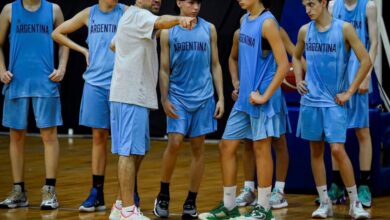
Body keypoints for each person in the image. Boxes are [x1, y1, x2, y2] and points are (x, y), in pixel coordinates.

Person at [199, 0, 289, 218]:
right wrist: (237, 82)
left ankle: (263, 208)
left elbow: (284, 64)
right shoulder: (244, 20)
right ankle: (229, 207)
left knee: (262, 149)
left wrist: (264, 96)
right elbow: (235, 58)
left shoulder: (268, 23)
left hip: (261, 100)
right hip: (244, 101)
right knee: (225, 147)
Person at [106, 0, 196, 219]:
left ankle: (120, 206)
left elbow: (113, 44)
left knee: (137, 152)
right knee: (128, 153)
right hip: (130, 96)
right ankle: (128, 210)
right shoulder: (139, 15)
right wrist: (178, 19)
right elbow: (162, 21)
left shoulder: (132, 18)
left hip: (134, 96)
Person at [293, 0, 372, 218]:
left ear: (323, 3)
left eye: (311, 4)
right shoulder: (303, 31)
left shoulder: (344, 28)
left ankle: (355, 202)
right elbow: (295, 55)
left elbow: (365, 60)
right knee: (316, 152)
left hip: (334, 102)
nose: (307, 10)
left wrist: (350, 91)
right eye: (304, 6)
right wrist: (299, 78)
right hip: (310, 102)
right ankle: (325, 202)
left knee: (337, 150)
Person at [51, 0, 130, 212]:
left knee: (124, 141)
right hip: (94, 83)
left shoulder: (126, 12)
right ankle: (97, 192)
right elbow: (57, 33)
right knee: (98, 137)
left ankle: (129, 194)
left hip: (121, 84)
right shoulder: (89, 13)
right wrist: (83, 51)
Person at [153, 0, 224, 218]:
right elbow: (164, 68)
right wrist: (164, 98)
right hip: (178, 96)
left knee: (198, 148)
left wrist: (220, 97)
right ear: (179, 3)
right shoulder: (168, 31)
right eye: (191, 2)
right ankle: (163, 193)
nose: (196, 7)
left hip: (203, 97)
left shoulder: (208, 28)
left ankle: (191, 200)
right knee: (174, 142)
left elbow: (215, 64)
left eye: (199, 3)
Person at [0, 0, 68, 210]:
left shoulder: (53, 9)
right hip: (17, 82)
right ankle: (19, 191)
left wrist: (62, 68)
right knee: (16, 136)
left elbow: (64, 41)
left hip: (45, 82)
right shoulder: (9, 9)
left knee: (49, 136)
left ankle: (49, 191)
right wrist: (1, 69)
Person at [231, 27, 303, 209]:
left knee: (279, 142)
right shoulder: (241, 31)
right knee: (248, 142)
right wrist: (237, 83)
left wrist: (305, 77)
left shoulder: (275, 29)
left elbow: (296, 54)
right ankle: (249, 189)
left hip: (271, 96)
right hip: (250, 95)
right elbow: (233, 58)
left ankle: (279, 191)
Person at [323, 0, 378, 208]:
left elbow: (374, 43)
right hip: (337, 77)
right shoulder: (332, 6)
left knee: (362, 131)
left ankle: (364, 184)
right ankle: (337, 183)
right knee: (335, 133)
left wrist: (367, 74)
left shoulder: (369, 6)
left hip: (359, 74)